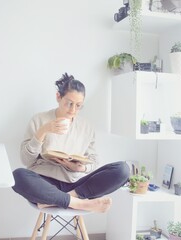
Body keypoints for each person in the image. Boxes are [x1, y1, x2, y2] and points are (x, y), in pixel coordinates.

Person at [12, 73, 130, 213]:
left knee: (123, 170)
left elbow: (94, 160)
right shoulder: (39, 120)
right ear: (58, 97)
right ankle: (81, 204)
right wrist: (43, 131)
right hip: (44, 182)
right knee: (17, 175)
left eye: (78, 106)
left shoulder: (86, 127)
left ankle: (62, 200)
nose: (73, 110)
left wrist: (80, 168)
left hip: (76, 185)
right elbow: (26, 160)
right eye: (69, 103)